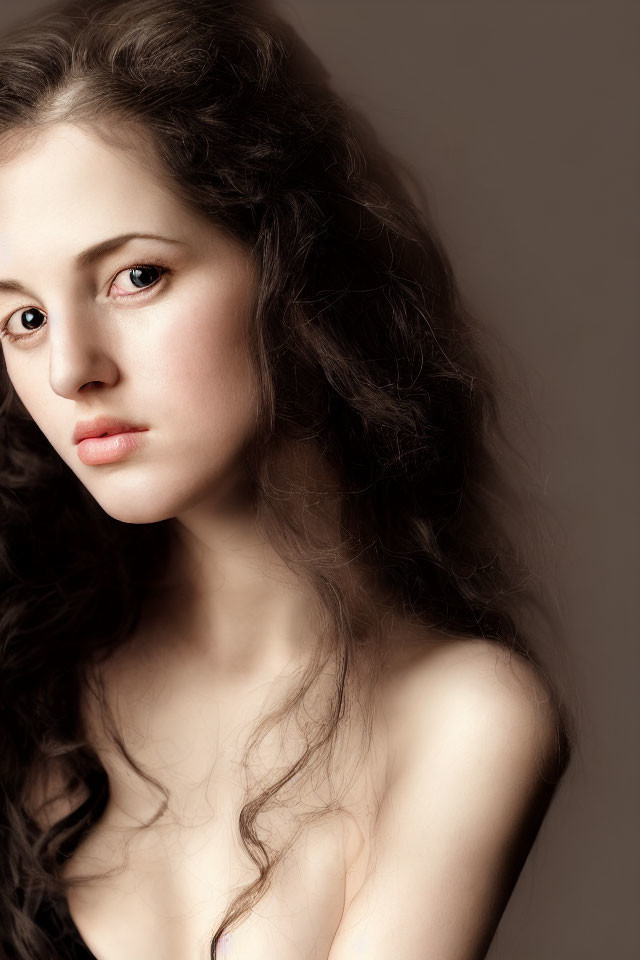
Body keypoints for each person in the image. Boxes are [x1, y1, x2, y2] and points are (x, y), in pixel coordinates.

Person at [0, 0, 573, 957]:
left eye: (134, 278)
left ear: (287, 265)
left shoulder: (461, 717)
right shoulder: (25, 672)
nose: (70, 371)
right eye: (21, 319)